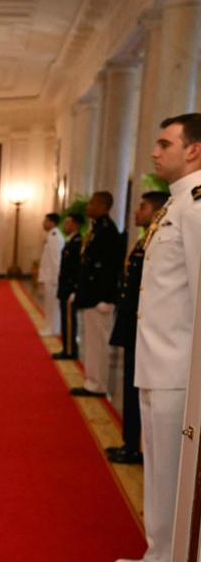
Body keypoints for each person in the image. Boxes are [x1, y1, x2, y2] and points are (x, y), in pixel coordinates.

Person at [115, 113, 201, 562]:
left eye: (165, 143)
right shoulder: (176, 205)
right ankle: (156, 554)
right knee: (158, 467)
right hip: (157, 359)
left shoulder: (195, 206)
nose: (155, 152)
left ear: (193, 149)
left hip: (178, 366)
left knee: (171, 471)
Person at [106, 191, 170, 465]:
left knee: (139, 389)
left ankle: (134, 445)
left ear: (155, 211)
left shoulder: (155, 241)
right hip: (135, 325)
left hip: (145, 328)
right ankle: (131, 442)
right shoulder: (145, 240)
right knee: (133, 387)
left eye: (142, 207)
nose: (136, 211)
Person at [70, 191, 122, 396]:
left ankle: (97, 384)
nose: (88, 206)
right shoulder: (97, 229)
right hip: (90, 296)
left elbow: (111, 268)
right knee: (90, 342)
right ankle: (91, 381)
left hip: (99, 298)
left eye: (92, 203)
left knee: (98, 344)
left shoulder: (108, 231)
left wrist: (106, 298)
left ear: (102, 206)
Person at [53, 213, 85, 360]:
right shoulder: (70, 241)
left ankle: (70, 350)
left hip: (70, 288)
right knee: (65, 319)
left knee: (69, 320)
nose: (65, 226)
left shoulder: (78, 242)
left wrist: (74, 289)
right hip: (65, 287)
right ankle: (66, 347)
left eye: (68, 223)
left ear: (76, 225)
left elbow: (77, 268)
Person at [37, 212, 64, 336]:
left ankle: (52, 329)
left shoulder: (54, 236)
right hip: (49, 276)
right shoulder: (51, 235)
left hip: (52, 277)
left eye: (45, 220)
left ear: (52, 222)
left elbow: (56, 259)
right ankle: (50, 327)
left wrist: (55, 279)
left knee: (52, 305)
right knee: (49, 304)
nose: (43, 223)